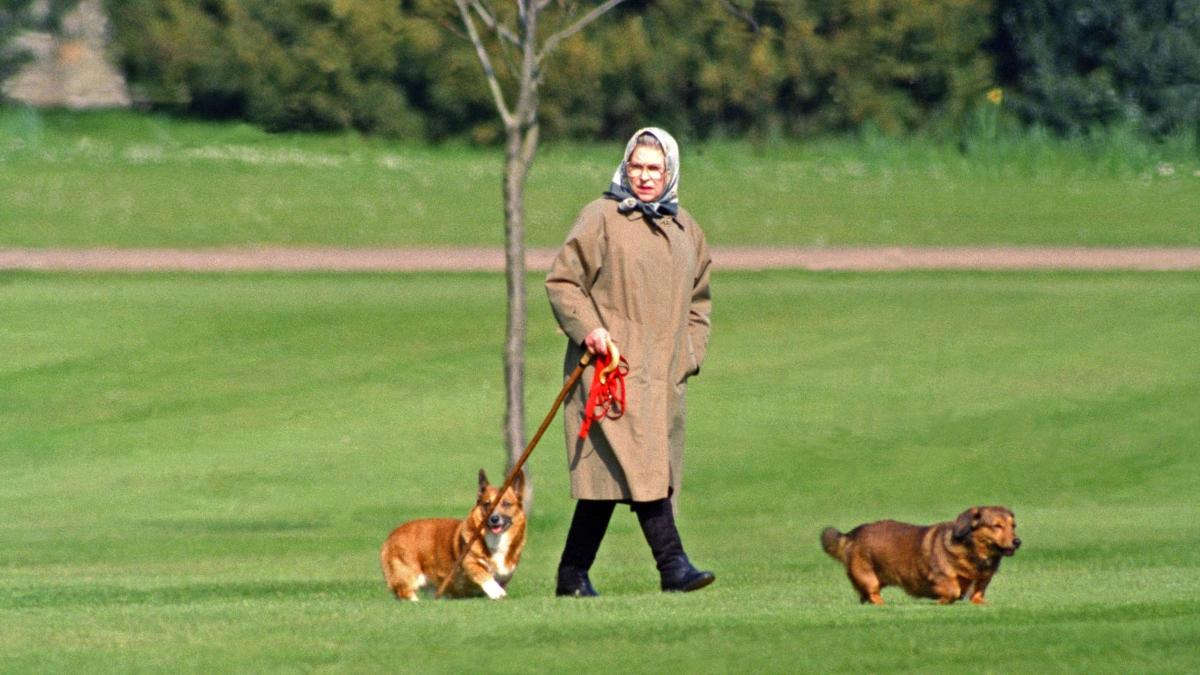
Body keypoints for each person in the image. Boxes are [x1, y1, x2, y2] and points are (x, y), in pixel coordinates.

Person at [545, 127, 714, 596]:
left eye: (654, 168)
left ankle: (571, 575)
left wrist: (690, 356)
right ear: (625, 166)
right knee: (645, 469)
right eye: (636, 166)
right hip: (607, 376)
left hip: (664, 380)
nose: (644, 176)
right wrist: (589, 330)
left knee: (612, 481)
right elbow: (563, 282)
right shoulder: (599, 217)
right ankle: (673, 567)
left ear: (670, 172)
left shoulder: (687, 231)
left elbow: (700, 303)